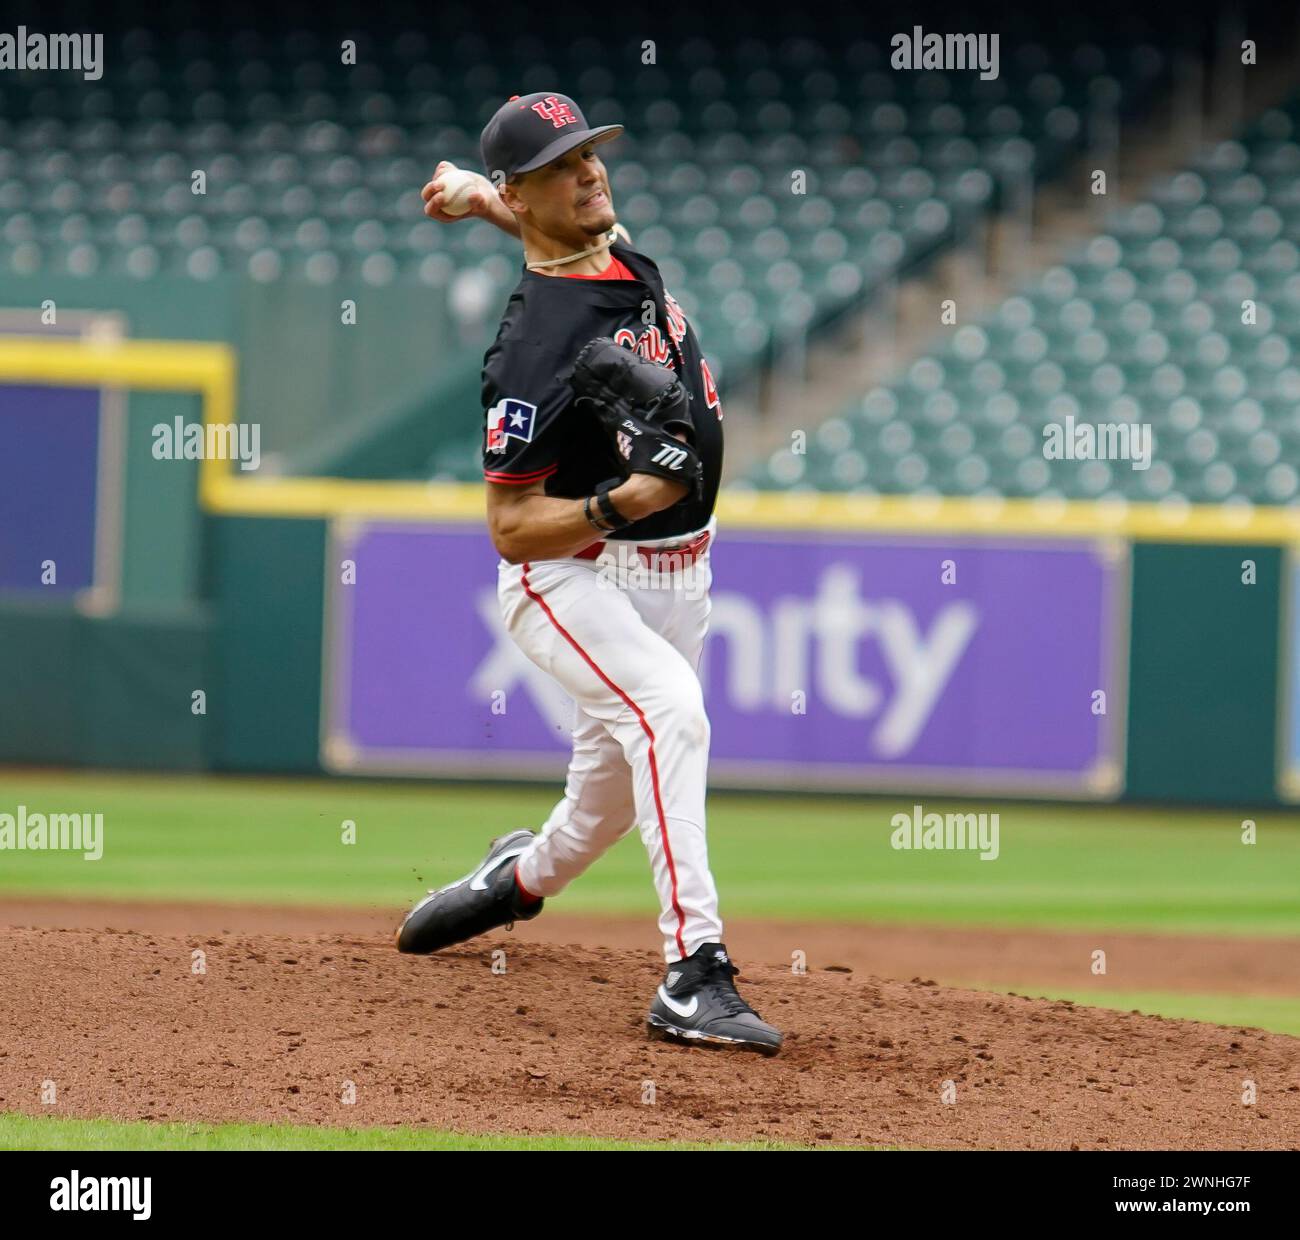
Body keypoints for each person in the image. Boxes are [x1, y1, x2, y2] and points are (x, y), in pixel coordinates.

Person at [395, 92, 781, 1055]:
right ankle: (695, 972)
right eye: (566, 165)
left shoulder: (613, 250)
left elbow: (551, 233)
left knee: (602, 809)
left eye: (591, 153)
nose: (592, 172)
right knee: (672, 714)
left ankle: (517, 877)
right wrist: (620, 504)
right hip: (574, 575)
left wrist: (487, 198)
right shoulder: (531, 349)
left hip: (680, 574)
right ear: (533, 192)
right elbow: (511, 528)